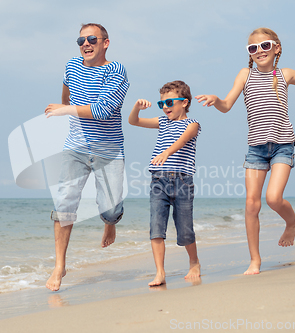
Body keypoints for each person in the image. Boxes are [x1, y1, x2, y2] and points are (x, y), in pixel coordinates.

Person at [195, 27, 295, 275]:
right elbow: (226, 105)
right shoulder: (245, 74)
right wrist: (216, 100)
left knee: (273, 199)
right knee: (251, 204)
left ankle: (293, 221)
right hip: (256, 148)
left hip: (282, 145)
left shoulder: (286, 74)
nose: (259, 51)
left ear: (276, 47)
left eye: (265, 45)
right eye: (253, 48)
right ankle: (255, 260)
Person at [44, 23, 130, 291]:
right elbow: (66, 94)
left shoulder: (116, 70)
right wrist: (65, 108)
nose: (85, 43)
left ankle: (109, 222)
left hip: (109, 150)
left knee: (111, 208)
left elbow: (104, 110)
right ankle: (59, 266)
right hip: (76, 149)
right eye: (81, 39)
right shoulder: (71, 66)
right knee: (64, 206)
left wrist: (66, 109)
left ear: (105, 42)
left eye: (92, 38)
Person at [128, 80, 201, 286]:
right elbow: (133, 121)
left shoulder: (192, 124)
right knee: (156, 227)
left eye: (170, 102)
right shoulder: (162, 122)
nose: (166, 107)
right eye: (162, 104)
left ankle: (194, 261)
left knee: (185, 230)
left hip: (182, 182)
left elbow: (183, 140)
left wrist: (167, 152)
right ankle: (160, 272)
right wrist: (136, 107)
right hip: (158, 180)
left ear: (184, 102)